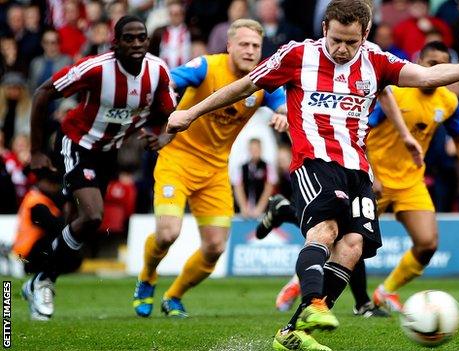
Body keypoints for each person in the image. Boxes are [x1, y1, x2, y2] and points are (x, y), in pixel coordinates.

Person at [166, 1, 459, 349]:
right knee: (326, 230)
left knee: (352, 246)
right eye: (336, 40)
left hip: (357, 169)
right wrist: (191, 112)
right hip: (313, 160)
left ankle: (295, 332)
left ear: (366, 33)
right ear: (325, 28)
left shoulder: (376, 61)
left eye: (351, 42)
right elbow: (243, 86)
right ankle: (314, 303)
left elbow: (425, 75)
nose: (342, 49)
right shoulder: (296, 55)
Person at [262, 42, 459, 315]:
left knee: (427, 243)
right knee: (344, 235)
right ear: (419, 61)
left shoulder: (448, 101)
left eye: (441, 64)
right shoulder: (395, 93)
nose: (435, 69)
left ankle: (386, 290)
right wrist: (372, 174)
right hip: (370, 175)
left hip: (410, 181)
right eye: (430, 63)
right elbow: (353, 131)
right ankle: (340, 297)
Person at [24, 15, 177, 321]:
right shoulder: (95, 68)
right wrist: (37, 151)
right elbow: (43, 93)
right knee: (92, 216)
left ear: (148, 40)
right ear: (115, 42)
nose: (136, 44)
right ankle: (42, 280)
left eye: (141, 38)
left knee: (82, 223)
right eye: (129, 38)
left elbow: (169, 113)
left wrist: (160, 136)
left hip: (109, 153)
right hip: (76, 143)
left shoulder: (158, 70)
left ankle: (40, 278)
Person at [132, 19, 288, 318]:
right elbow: (167, 83)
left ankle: (173, 296)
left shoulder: (263, 82)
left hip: (216, 170)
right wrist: (159, 118)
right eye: (243, 44)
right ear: (229, 46)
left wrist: (284, 116)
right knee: (167, 233)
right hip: (177, 159)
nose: (250, 50)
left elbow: (283, 104)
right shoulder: (206, 66)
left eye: (256, 45)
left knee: (215, 247)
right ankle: (147, 276)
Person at [14, 168, 83, 320]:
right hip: (25, 256)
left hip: (27, 253)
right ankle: (38, 283)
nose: (55, 187)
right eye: (52, 183)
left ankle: (38, 283)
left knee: (67, 250)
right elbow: (55, 226)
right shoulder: (36, 202)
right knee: (62, 244)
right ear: (42, 182)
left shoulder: (41, 200)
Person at [232, 138, 277, 218]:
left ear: (261, 149)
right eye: (252, 149)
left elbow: (268, 188)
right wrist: (243, 207)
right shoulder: (241, 168)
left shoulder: (268, 167)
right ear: (249, 150)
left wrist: (259, 209)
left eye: (257, 148)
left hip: (263, 212)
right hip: (244, 213)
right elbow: (238, 187)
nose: (255, 151)